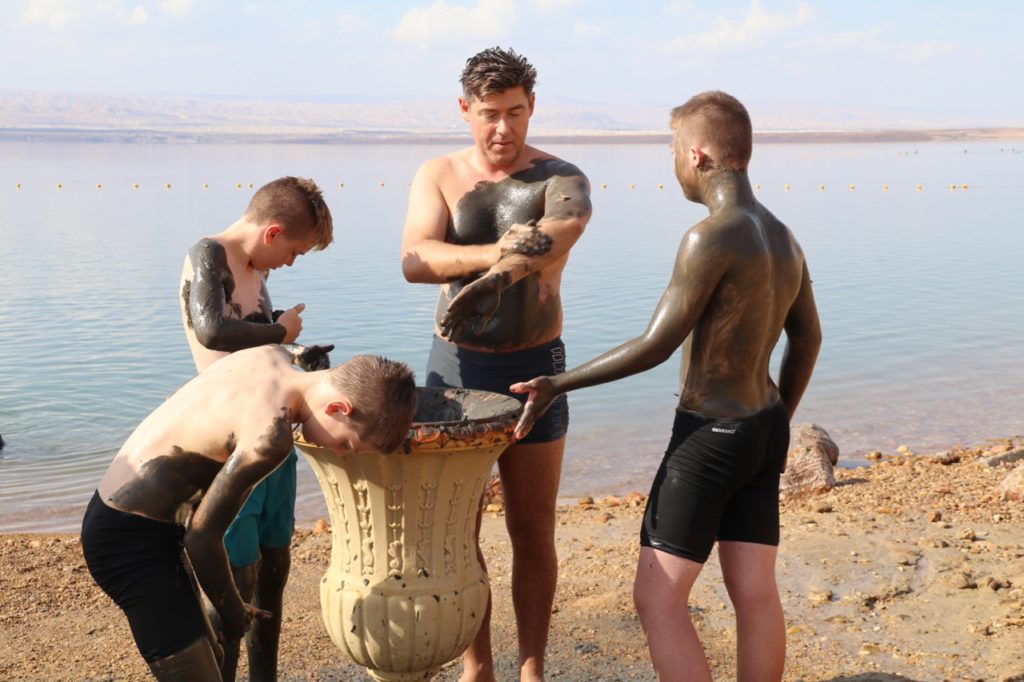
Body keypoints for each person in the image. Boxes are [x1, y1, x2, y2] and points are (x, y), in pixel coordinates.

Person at [511, 91, 822, 682]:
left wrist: (557, 382)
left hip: (710, 434)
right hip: (761, 428)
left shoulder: (710, 236)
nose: (674, 162)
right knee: (754, 591)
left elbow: (656, 345)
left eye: (675, 150)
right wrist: (780, 417)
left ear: (698, 155)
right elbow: (808, 341)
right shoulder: (784, 237)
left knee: (657, 600)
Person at [400, 47, 592, 682]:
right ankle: (475, 666)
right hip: (454, 371)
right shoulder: (438, 173)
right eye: (489, 114)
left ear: (532, 107)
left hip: (536, 364)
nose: (503, 128)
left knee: (532, 530)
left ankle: (531, 668)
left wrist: (499, 274)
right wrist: (488, 258)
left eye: (515, 112)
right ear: (464, 111)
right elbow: (415, 260)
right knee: (459, 531)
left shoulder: (562, 177)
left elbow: (561, 231)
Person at [81, 345, 418, 681]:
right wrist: (232, 613)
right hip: (127, 544)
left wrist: (302, 351)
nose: (341, 452)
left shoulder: (270, 354)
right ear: (338, 408)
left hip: (138, 523)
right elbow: (202, 536)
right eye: (348, 443)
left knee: (209, 657)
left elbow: (289, 347)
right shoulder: (271, 438)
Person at [177, 175, 333, 681]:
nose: (291, 262)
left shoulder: (257, 273)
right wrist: (279, 330)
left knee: (273, 575)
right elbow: (213, 330)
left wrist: (294, 353)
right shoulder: (210, 254)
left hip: (274, 443)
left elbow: (258, 353)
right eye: (294, 251)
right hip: (229, 446)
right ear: (271, 233)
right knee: (234, 588)